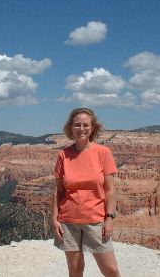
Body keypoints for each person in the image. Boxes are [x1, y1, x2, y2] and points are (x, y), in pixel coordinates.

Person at [52, 107, 121, 277]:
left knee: (111, 270)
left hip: (96, 219)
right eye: (77, 125)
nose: (81, 129)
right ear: (71, 127)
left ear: (93, 127)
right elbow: (58, 190)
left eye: (85, 125)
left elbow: (110, 190)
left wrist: (109, 218)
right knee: (75, 270)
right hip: (69, 221)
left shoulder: (103, 153)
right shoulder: (64, 154)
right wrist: (54, 219)